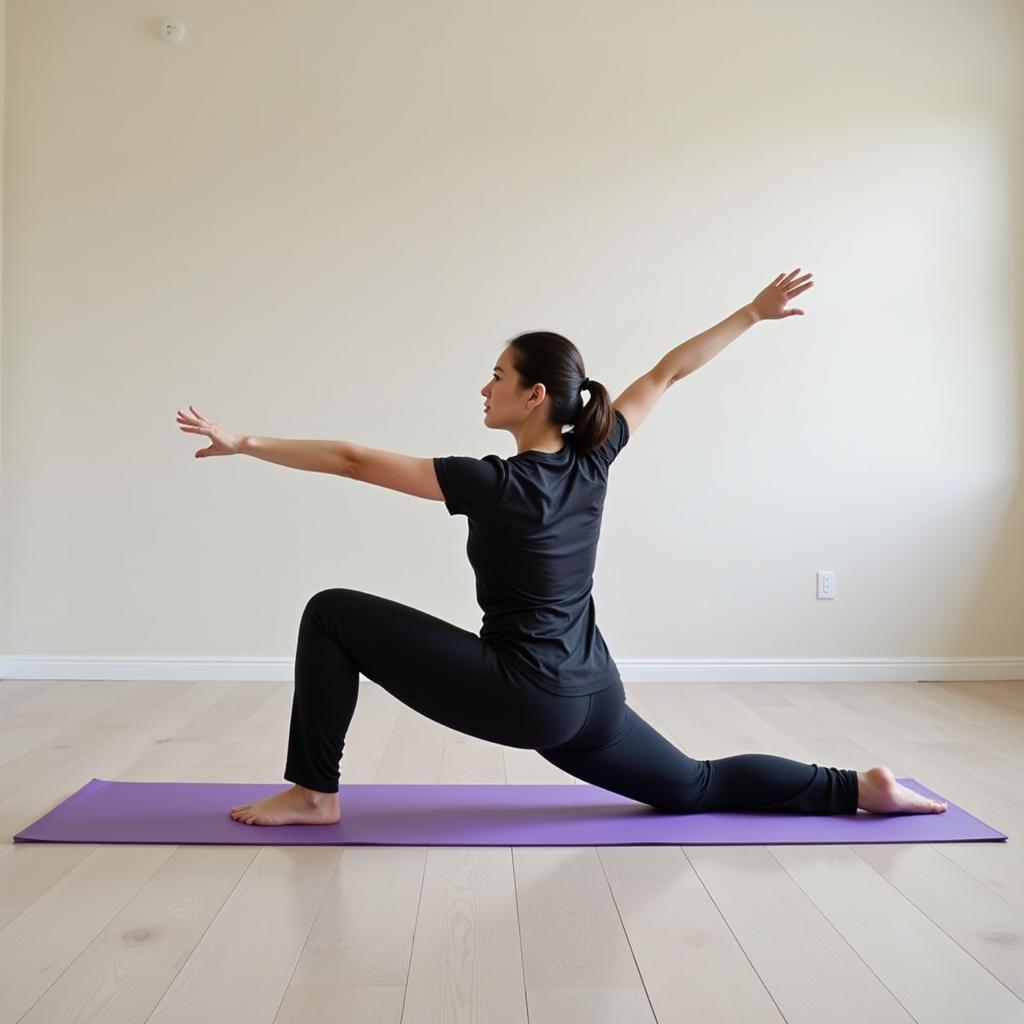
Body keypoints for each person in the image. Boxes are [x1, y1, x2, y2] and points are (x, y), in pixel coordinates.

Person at [176, 268, 948, 826]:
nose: (485, 389)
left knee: (331, 612)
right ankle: (856, 787)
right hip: (592, 695)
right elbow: (667, 373)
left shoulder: (492, 482)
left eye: (497, 376)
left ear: (534, 395)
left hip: (528, 694)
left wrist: (243, 439)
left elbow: (350, 459)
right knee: (695, 786)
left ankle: (315, 793)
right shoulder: (595, 456)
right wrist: (750, 312)